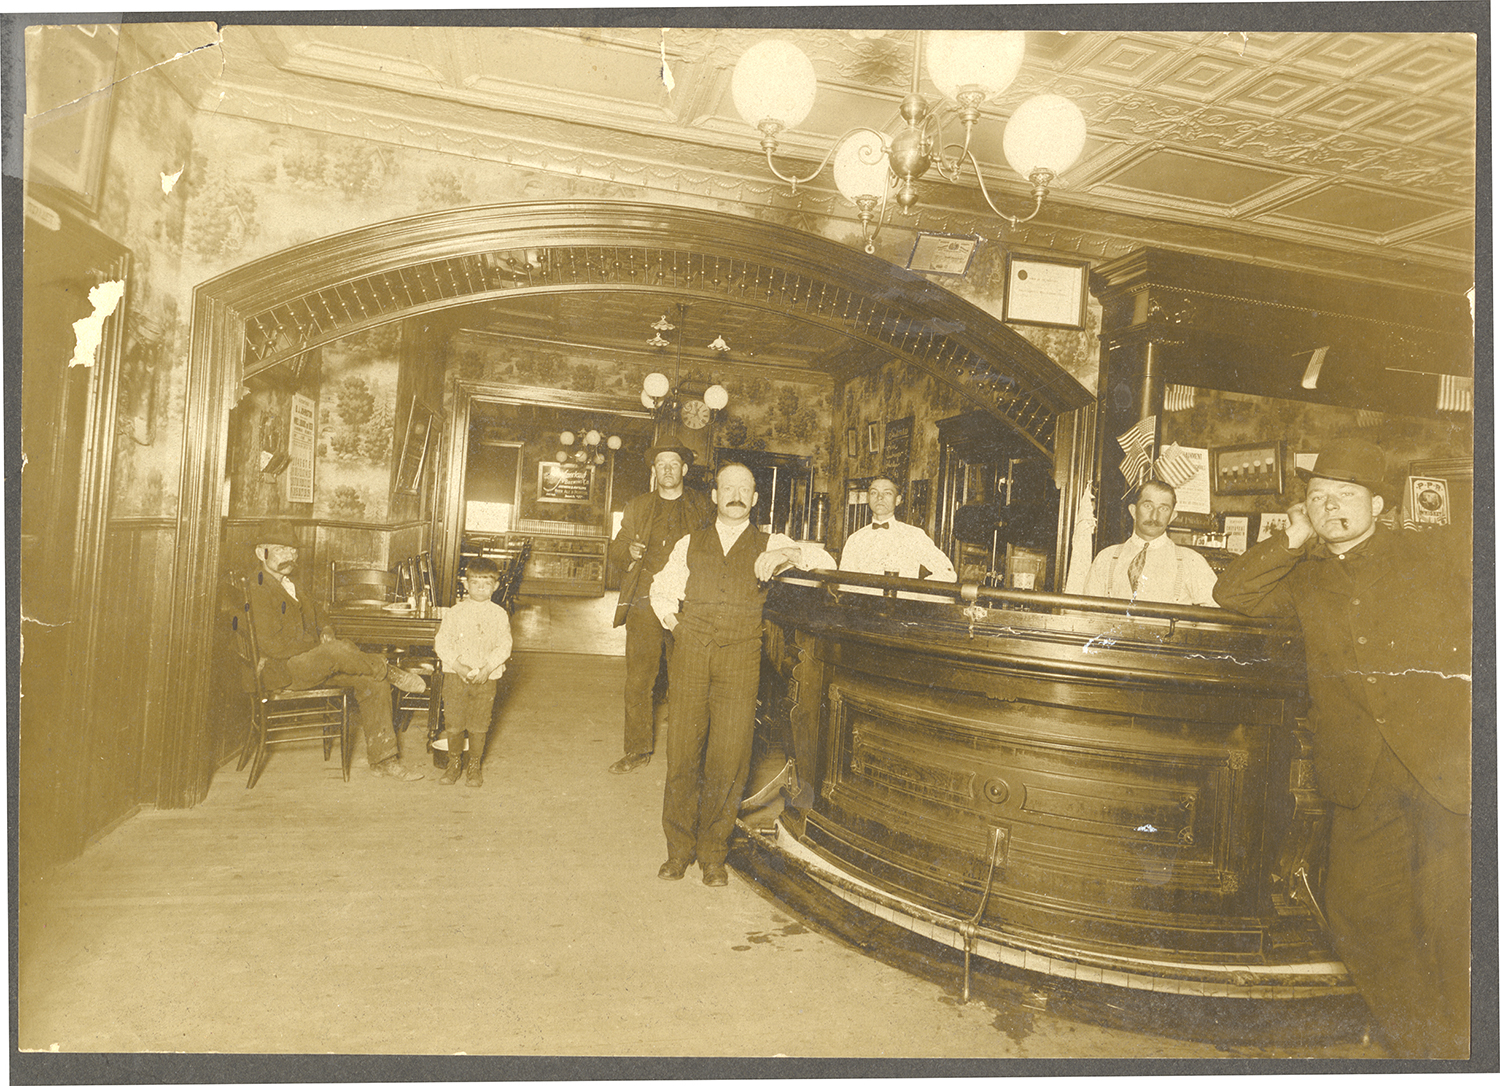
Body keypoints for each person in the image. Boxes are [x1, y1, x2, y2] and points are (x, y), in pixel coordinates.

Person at [1214, 437, 1470, 1058]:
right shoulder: (1303, 576)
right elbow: (1233, 595)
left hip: (1444, 767)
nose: (1331, 506)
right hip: (1359, 774)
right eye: (1319, 497)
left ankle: (1469, 1046)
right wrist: (1293, 537)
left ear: (1378, 504)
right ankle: (1429, 1051)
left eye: (1346, 495)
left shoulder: (1434, 553)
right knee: (1360, 918)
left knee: (1455, 921)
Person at [649, 462, 835, 887]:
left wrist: (786, 553)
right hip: (691, 654)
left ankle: (714, 853)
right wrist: (678, 626)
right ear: (714, 496)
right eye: (726, 487)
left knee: (729, 758)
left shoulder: (771, 540)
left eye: (744, 488)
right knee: (682, 754)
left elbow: (824, 560)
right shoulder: (689, 542)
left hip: (741, 659)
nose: (735, 494)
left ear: (754, 499)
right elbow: (661, 590)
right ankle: (678, 852)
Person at [247, 522, 427, 781]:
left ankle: (384, 760)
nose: (289, 556)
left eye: (292, 550)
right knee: (338, 651)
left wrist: (327, 629)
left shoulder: (291, 584)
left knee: (372, 681)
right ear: (260, 553)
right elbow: (272, 646)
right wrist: (322, 645)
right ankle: (387, 668)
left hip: (308, 663)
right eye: (280, 550)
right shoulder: (258, 587)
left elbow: (319, 614)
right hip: (281, 670)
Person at [607, 443, 712, 775]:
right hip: (644, 599)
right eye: (661, 464)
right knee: (639, 679)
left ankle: (687, 753)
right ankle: (637, 750)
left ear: (684, 470)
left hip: (688, 600)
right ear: (654, 471)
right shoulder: (637, 506)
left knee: (689, 679)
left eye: (674, 463)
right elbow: (617, 548)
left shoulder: (703, 506)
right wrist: (630, 552)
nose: (667, 469)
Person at [433, 556, 513, 788]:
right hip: (455, 676)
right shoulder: (454, 613)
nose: (480, 587)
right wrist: (457, 666)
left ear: (495, 586)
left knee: (479, 724)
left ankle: (474, 765)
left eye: (486, 583)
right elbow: (442, 643)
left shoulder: (498, 614)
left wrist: (487, 668)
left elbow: (504, 645)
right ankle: (454, 763)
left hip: (486, 678)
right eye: (475, 582)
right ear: (465, 584)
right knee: (455, 723)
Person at [1074, 479, 1218, 606]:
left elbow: (1216, 613)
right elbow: (1087, 613)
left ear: (1172, 516)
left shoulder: (1191, 561)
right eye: (1148, 506)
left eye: (1163, 508)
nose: (1155, 516)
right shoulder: (1106, 558)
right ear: (1133, 511)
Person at [838, 475, 956, 598]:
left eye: (887, 493)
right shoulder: (855, 539)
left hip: (901, 610)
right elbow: (844, 584)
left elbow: (947, 573)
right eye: (874, 493)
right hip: (864, 611)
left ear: (898, 500)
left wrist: (917, 597)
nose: (879, 497)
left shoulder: (914, 535)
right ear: (868, 498)